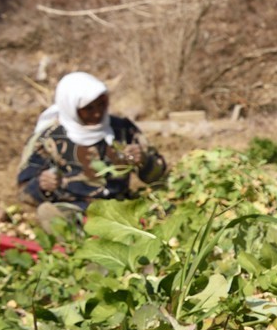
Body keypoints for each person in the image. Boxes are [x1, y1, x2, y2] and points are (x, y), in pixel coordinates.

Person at [16, 72, 169, 230]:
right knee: (48, 214)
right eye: (88, 109)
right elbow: (23, 193)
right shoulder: (49, 139)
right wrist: (41, 185)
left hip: (120, 208)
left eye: (101, 105)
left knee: (163, 208)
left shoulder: (122, 129)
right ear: (71, 108)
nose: (97, 113)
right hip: (75, 212)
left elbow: (159, 175)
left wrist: (144, 160)